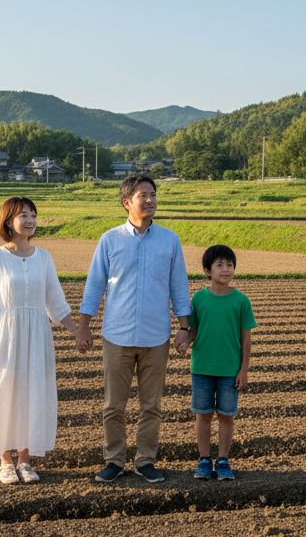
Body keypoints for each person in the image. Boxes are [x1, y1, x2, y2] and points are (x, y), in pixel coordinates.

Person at [76, 174, 191, 483]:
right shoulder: (109, 239)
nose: (150, 200)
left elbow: (178, 286)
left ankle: (145, 460)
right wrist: (83, 326)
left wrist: (184, 327)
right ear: (127, 202)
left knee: (151, 405)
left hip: (156, 337)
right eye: (143, 195)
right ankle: (114, 460)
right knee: (114, 405)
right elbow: (95, 285)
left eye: (153, 194)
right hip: (117, 335)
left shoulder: (170, 240)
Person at [0, 196, 78, 484]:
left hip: (37, 335)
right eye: (23, 215)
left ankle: (25, 460)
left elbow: (56, 302)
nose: (30, 220)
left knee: (33, 390)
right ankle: (4, 460)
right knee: (4, 391)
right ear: (8, 221)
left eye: (33, 214)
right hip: (4, 334)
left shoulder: (43, 257)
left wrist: (78, 331)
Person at [178, 244, 256, 481]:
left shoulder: (241, 301)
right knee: (203, 414)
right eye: (219, 265)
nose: (225, 269)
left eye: (229, 265)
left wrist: (243, 370)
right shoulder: (199, 298)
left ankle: (223, 460)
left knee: (226, 415)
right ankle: (204, 460)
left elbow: (246, 338)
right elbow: (194, 330)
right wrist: (185, 342)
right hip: (202, 368)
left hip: (229, 370)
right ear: (207, 271)